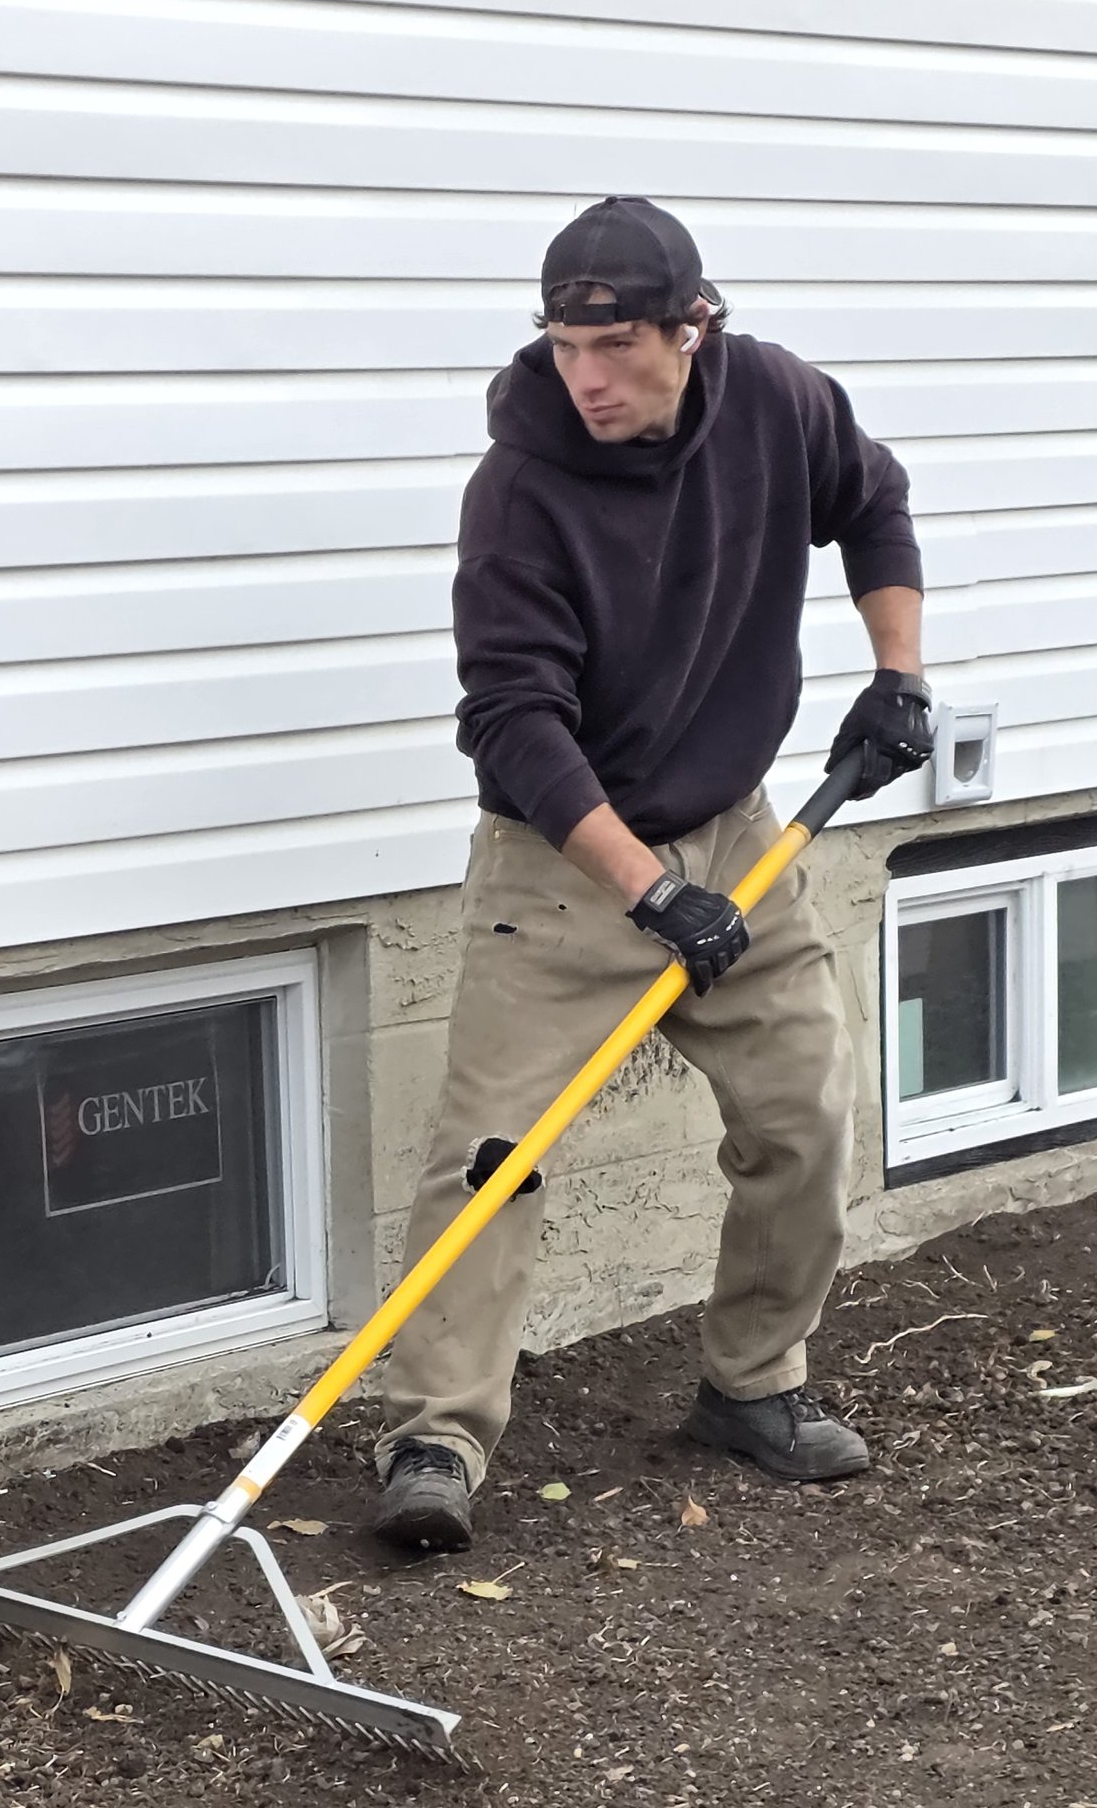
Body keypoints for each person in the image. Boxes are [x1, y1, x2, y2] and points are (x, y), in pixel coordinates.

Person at [373, 196, 933, 1554]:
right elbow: (513, 718)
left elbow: (875, 501)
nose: (589, 379)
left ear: (695, 329)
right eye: (565, 346)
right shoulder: (519, 490)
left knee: (807, 1110)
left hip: (737, 834)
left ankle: (753, 1384)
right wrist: (643, 886)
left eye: (617, 346)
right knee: (491, 1160)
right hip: (563, 858)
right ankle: (437, 1434)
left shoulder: (778, 403)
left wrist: (899, 675)